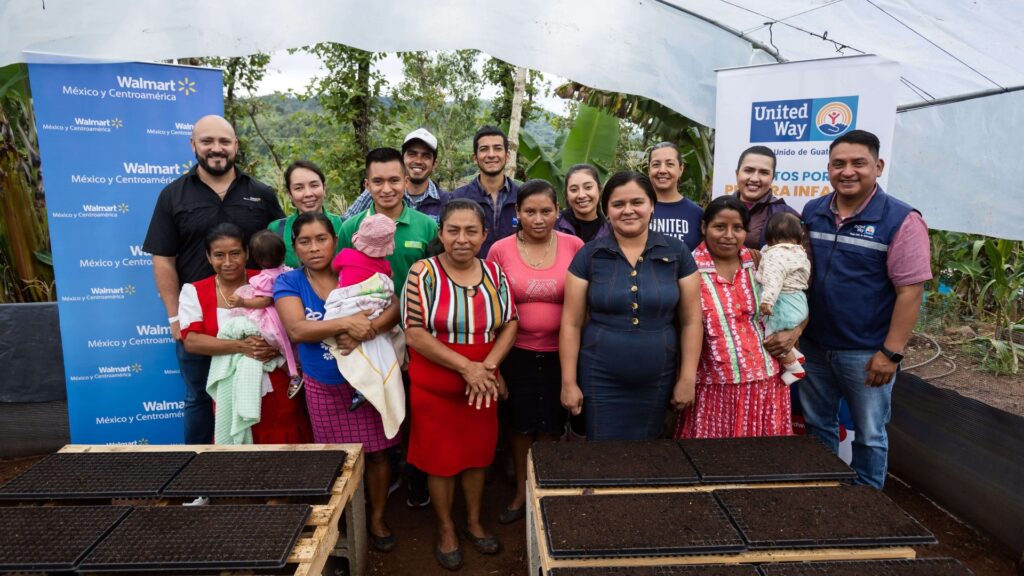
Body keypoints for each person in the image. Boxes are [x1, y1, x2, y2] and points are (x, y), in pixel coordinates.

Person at [796, 130, 931, 489]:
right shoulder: (813, 211)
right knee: (817, 425)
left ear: (878, 166)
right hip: (814, 346)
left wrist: (891, 352)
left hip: (867, 352)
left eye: (859, 163)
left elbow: (910, 292)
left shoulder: (901, 219)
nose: (848, 171)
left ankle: (868, 503)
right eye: (839, 164)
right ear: (828, 168)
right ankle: (824, 491)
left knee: (869, 434)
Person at [144, 114, 286, 444]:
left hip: (256, 318)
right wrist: (175, 315)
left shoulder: (261, 194)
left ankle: (256, 475)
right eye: (207, 141)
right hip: (199, 317)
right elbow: (163, 259)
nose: (216, 148)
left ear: (236, 146)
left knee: (261, 399)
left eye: (224, 141)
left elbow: (281, 255)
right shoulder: (173, 196)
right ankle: (199, 483)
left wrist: (279, 316)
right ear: (193, 145)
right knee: (198, 399)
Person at [402, 199, 518, 571]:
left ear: (485, 235)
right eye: (453, 230)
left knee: (478, 457)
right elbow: (415, 334)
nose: (462, 239)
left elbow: (510, 323)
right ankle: (447, 528)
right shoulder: (423, 274)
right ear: (441, 234)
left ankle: (473, 521)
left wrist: (489, 367)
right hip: (435, 389)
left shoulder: (495, 274)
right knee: (440, 462)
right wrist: (467, 367)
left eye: (471, 231)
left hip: (482, 386)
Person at [274, 212, 401, 552]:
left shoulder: (357, 269)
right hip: (324, 386)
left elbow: (394, 306)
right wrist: (349, 324)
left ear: (335, 240)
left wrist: (368, 330)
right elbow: (298, 329)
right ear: (295, 248)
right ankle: (342, 517)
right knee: (336, 460)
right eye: (305, 241)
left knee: (377, 455)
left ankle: (375, 518)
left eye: (321, 239)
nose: (314, 248)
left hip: (367, 382)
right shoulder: (289, 283)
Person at [561, 172, 702, 441]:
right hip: (599, 375)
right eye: (618, 204)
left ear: (652, 206)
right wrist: (568, 383)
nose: (628, 211)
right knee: (601, 455)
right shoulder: (589, 255)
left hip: (659, 376)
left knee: (649, 457)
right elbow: (571, 323)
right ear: (607, 210)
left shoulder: (677, 253)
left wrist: (687, 378)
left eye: (637, 202)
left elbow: (692, 321)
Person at [339, 147, 439, 509]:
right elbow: (340, 277)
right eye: (377, 181)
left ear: (406, 181)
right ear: (367, 184)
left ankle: (416, 475)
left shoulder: (427, 226)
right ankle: (383, 477)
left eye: (394, 180)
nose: (386, 188)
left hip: (415, 338)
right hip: (365, 339)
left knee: (414, 407)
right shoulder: (350, 227)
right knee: (374, 406)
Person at [487, 180, 584, 524]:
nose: (538, 218)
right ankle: (521, 493)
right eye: (530, 211)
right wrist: (494, 366)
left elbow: (584, 302)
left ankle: (547, 491)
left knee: (553, 424)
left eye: (546, 211)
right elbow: (491, 308)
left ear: (558, 212)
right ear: (517, 213)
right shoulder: (499, 250)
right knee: (520, 425)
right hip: (516, 353)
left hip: (563, 353)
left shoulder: (575, 245)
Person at [177, 223, 312, 445]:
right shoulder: (194, 291)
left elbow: (294, 323)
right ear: (208, 257)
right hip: (230, 390)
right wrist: (242, 347)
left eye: (235, 254)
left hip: (278, 387)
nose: (228, 263)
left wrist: (275, 346)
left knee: (287, 448)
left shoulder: (270, 281)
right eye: (219, 255)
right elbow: (191, 341)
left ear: (248, 253)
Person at [675, 196, 793, 439]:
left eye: (737, 228)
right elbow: (682, 326)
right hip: (712, 389)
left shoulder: (760, 261)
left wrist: (796, 331)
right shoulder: (688, 269)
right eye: (720, 227)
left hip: (766, 384)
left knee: (759, 460)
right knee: (713, 462)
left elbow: (793, 301)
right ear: (704, 227)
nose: (729, 235)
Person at [327, 214, 403, 425]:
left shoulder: (344, 255)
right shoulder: (384, 266)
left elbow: (335, 268)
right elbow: (389, 281)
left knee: (356, 354)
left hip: (344, 308)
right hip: (373, 311)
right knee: (389, 341)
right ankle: (373, 384)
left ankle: (361, 387)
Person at [225, 230, 301, 398]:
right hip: (289, 313)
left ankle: (293, 373)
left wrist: (242, 302)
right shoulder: (288, 270)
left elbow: (265, 301)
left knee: (278, 347)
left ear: (255, 258)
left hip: (272, 319)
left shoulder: (264, 278)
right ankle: (296, 370)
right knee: (288, 347)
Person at [345, 128, 450, 223]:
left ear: (434, 164)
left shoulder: (446, 201)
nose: (418, 161)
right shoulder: (376, 193)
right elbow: (345, 223)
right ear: (402, 159)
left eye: (426, 156)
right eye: (412, 154)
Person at [756, 212, 811, 386]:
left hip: (782, 302)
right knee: (782, 332)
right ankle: (796, 354)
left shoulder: (777, 255)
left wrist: (767, 301)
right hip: (798, 301)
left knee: (772, 337)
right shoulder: (799, 252)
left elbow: (774, 280)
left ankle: (794, 368)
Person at [451, 125, 520, 257]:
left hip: (512, 276)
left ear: (507, 156)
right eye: (484, 149)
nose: (491, 154)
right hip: (471, 274)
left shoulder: (522, 198)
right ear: (475, 158)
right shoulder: (457, 199)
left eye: (497, 148)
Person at [269, 160, 345, 268]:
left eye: (314, 185)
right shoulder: (277, 230)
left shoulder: (345, 226)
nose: (308, 194)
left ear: (324, 188)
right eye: (299, 188)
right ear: (289, 194)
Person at [731, 145, 802, 251]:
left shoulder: (788, 217)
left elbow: (801, 263)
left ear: (772, 178)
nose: (755, 178)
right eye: (748, 170)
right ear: (737, 174)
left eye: (764, 172)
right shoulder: (719, 208)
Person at [647, 142, 703, 250]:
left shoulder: (697, 214)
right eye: (656, 164)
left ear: (681, 169)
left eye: (670, 164)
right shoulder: (637, 210)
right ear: (649, 170)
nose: (662, 170)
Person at [554, 163, 611, 242]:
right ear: (566, 195)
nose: (581, 195)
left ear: (600, 190)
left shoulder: (611, 232)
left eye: (588, 187)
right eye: (574, 189)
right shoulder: (553, 224)